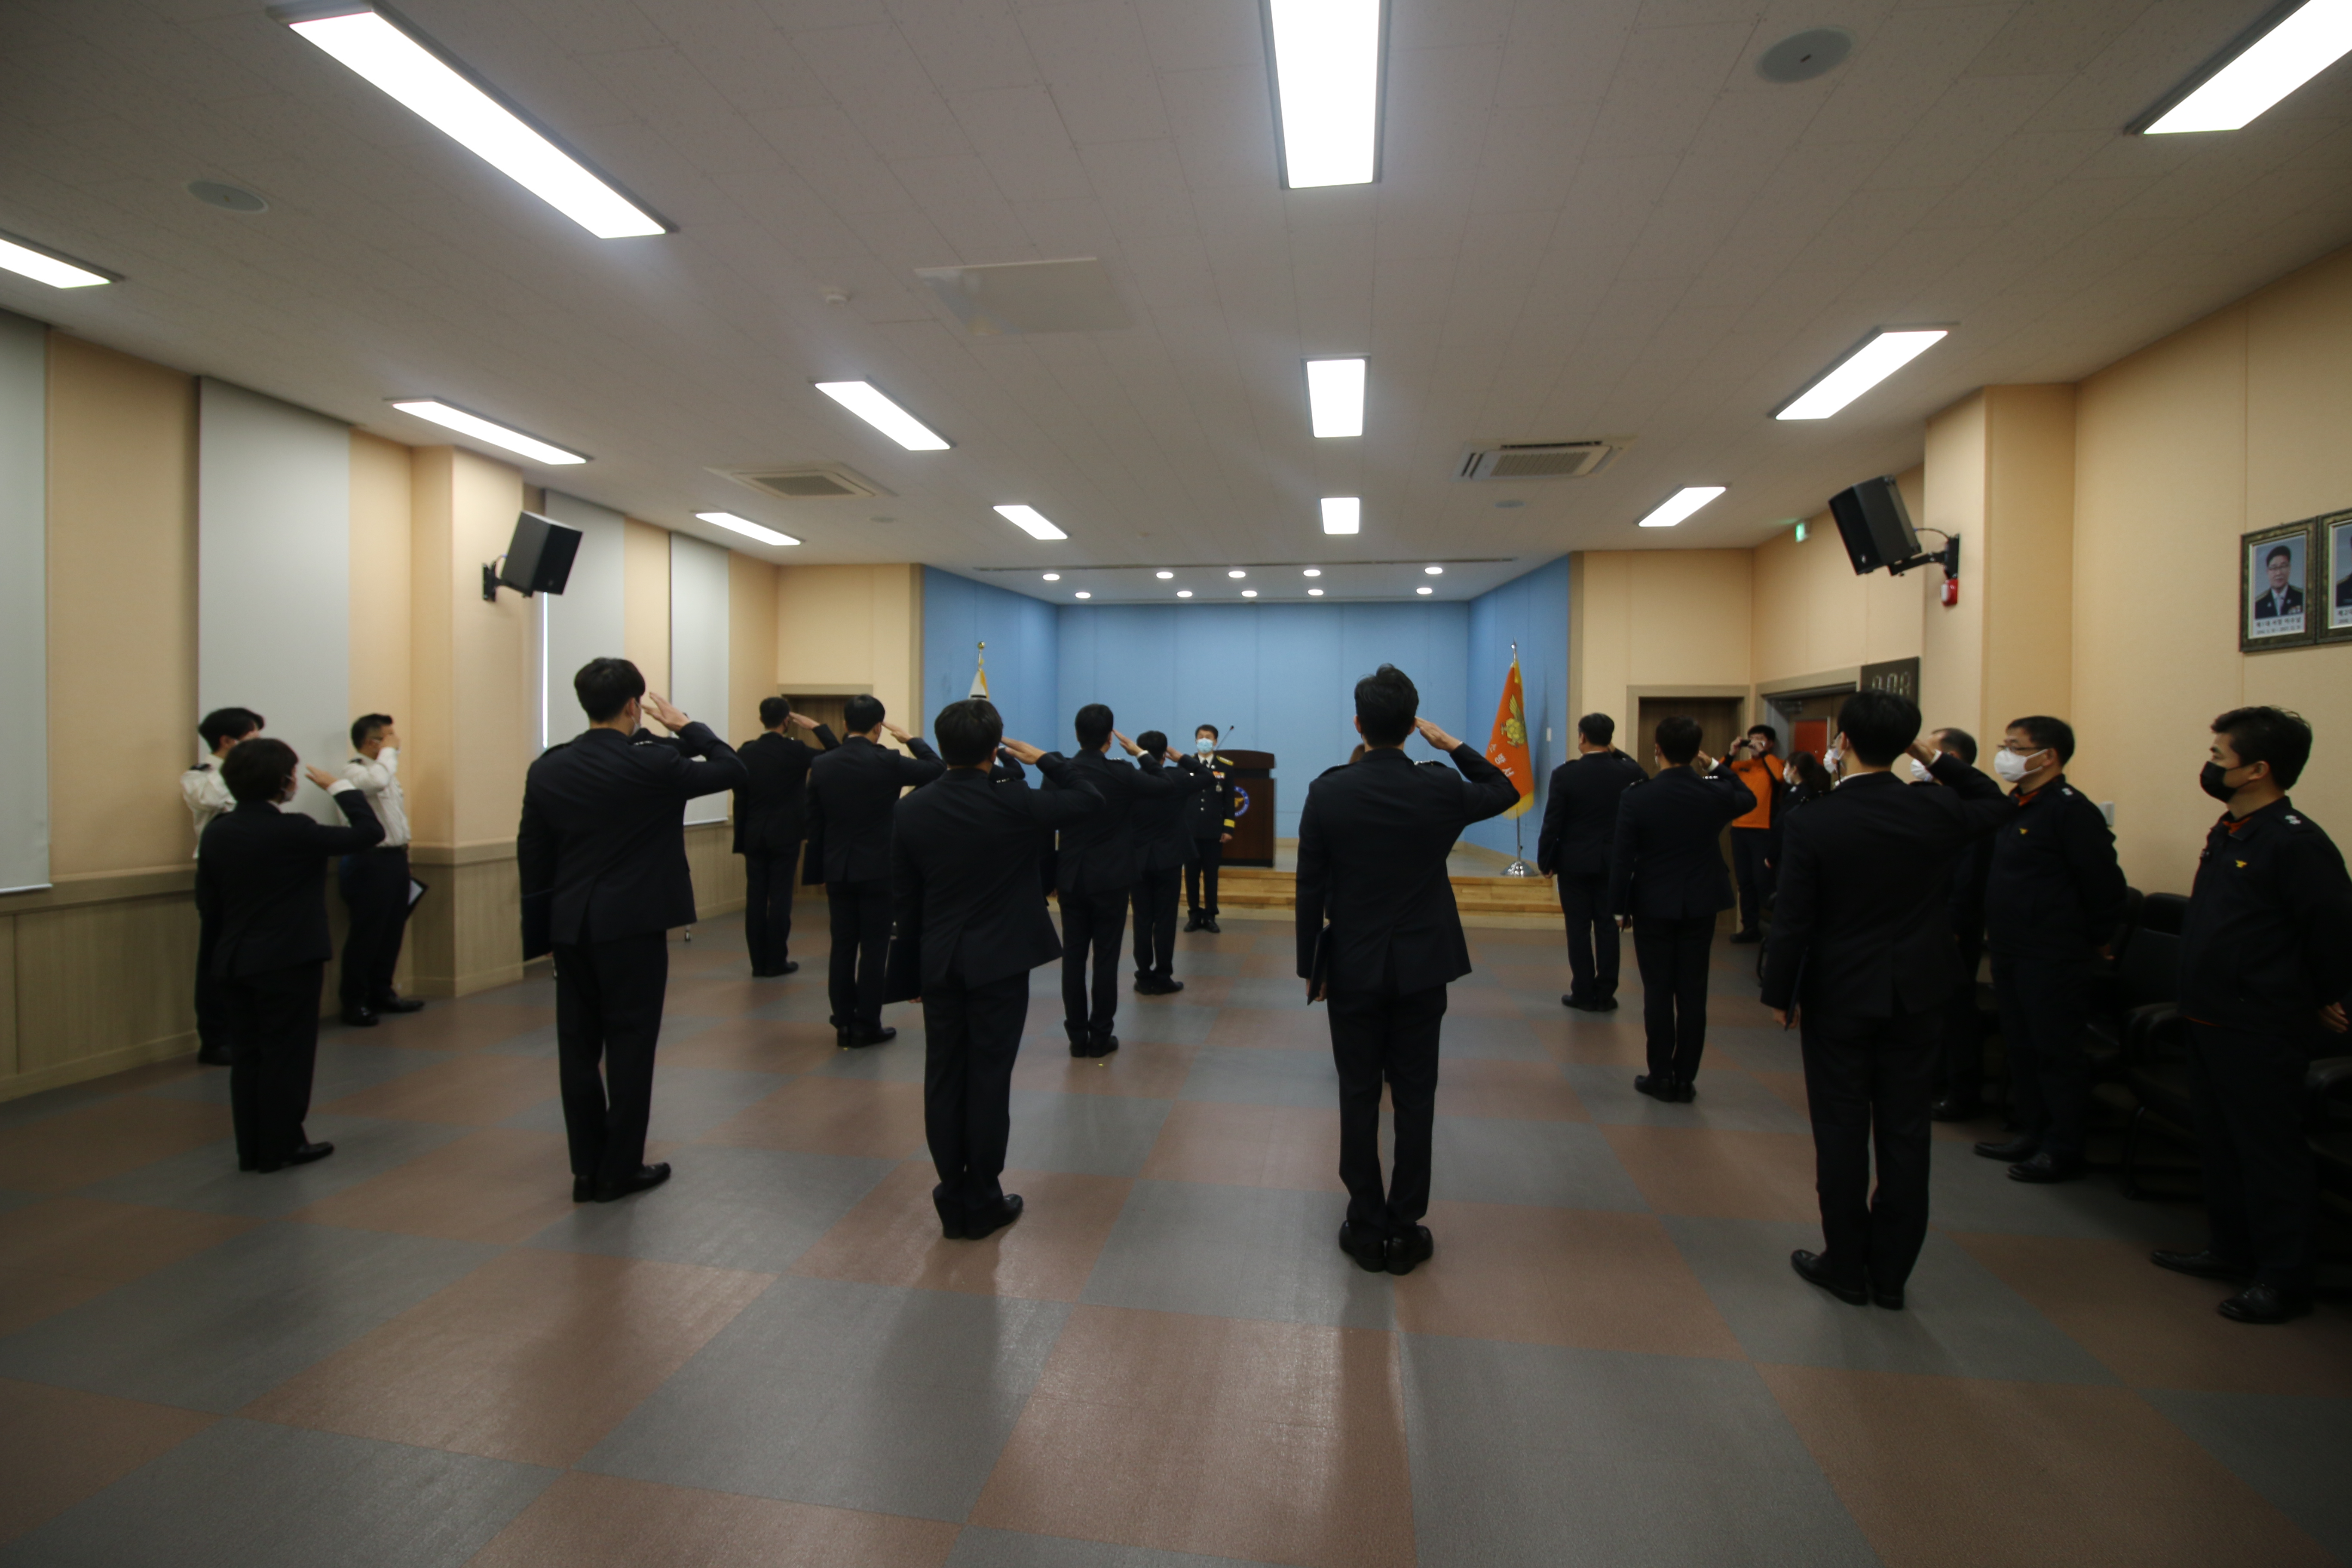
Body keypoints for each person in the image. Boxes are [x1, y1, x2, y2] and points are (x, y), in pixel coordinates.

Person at [1762, 691, 2007, 1309]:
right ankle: (1892, 1273)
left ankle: (1846, 1263)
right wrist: (1934, 758)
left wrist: (1781, 992)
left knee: (1841, 1130)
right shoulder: (1937, 808)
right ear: (1906, 747)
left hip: (1841, 991)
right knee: (1906, 1130)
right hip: (1920, 990)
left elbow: (1794, 919)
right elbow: (1994, 802)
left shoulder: (1816, 820)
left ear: (1842, 741)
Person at [1298, 666, 1519, 1275]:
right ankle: (1405, 1224)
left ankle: (1366, 1224)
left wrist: (1310, 967)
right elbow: (1505, 790)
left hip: (1353, 965)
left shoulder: (1328, 791)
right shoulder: (1440, 785)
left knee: (1358, 1093)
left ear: (1359, 724)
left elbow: (1310, 886)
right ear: (1412, 726)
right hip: (1424, 966)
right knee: (1417, 1096)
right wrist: (1453, 745)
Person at [518, 658, 746, 1203]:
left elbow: (534, 854)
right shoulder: (654, 764)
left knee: (576, 1047)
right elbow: (733, 769)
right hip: (634, 924)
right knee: (631, 1044)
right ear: (632, 706)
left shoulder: (549, 768)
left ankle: (585, 1168)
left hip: (571, 925)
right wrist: (685, 725)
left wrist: (541, 931)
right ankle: (619, 1168)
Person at [2154, 707, 2352, 1324]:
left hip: (2259, 1024)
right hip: (2209, 1015)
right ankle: (2231, 1248)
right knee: (2220, 1144)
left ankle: (2283, 1278)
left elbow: (2333, 930)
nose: (2209, 766)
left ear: (2258, 770)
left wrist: (2332, 996)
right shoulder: (2232, 830)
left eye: (2220, 757)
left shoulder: (2295, 841)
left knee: (2269, 1153)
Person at [889, 699, 1103, 1240]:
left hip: (940, 961)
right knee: (988, 1078)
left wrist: (912, 970)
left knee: (943, 1077)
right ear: (995, 747)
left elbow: (907, 899)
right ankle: (983, 1197)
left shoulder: (912, 808)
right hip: (1000, 962)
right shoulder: (1014, 801)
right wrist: (1046, 759)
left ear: (941, 745)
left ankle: (950, 1195)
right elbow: (1090, 799)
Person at [197, 738, 383, 1173]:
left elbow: (208, 902)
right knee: (287, 1055)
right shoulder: (294, 829)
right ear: (283, 782)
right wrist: (340, 787)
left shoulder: (218, 832)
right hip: (288, 960)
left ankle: (252, 1149)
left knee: (248, 1056)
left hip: (234, 959)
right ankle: (283, 1145)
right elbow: (370, 833)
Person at [1975, 714, 2128, 1183]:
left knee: (2055, 1051)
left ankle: (2063, 1146)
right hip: (2011, 947)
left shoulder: (2070, 810)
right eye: (2005, 745)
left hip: (2053, 953)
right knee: (2021, 1046)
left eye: (2016, 747)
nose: (2006, 755)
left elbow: (2104, 883)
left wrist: (2097, 936)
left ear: (2048, 756)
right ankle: (2032, 1130)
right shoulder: (2017, 804)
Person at [1608, 718, 1755, 1101]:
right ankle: (1685, 1078)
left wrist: (1619, 908)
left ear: (1657, 748)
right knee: (1693, 992)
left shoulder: (1638, 797)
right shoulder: (1715, 792)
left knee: (1657, 991)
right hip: (1701, 902)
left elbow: (1622, 858)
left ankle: (1659, 1075)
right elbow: (1749, 797)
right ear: (1695, 752)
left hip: (1653, 902)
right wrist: (1718, 766)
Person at [1044, 704, 1196, 1056]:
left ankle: (1076, 1038)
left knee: (1073, 958)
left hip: (1071, 877)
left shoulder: (1060, 772)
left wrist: (1048, 876)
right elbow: (1164, 784)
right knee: (1106, 959)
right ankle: (1101, 1036)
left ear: (1077, 734)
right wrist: (1141, 754)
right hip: (1111, 878)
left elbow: (1046, 827)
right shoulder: (1122, 772)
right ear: (1110, 738)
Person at [804, 696, 943, 1047]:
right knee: (875, 948)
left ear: (845, 724)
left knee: (842, 947)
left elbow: (815, 823)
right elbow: (936, 769)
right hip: (880, 868)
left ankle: (843, 1022)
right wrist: (911, 740)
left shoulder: (822, 764)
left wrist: (818, 870)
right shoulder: (888, 761)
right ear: (879, 726)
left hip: (838, 869)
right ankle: (868, 1023)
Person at [1534, 713, 1645, 1011]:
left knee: (1578, 928)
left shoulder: (1566, 774)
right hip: (1613, 862)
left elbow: (1553, 822)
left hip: (1574, 862)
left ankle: (1582, 991)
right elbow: (1641, 772)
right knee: (1607, 926)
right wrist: (1614, 751)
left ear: (1582, 737)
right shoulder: (1628, 772)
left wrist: (1546, 860)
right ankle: (1606, 993)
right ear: (1610, 740)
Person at [1915, 728, 1994, 1121]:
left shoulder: (1971, 807)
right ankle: (1934, 1079)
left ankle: (1962, 1091)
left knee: (1956, 1010)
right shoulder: (1935, 798)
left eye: (1928, 752)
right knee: (1930, 1007)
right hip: (1927, 920)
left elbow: (1969, 876)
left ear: (1951, 760)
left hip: (1954, 924)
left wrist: (1956, 925)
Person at [732, 698, 837, 977]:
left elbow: (740, 798)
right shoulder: (795, 751)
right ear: (787, 720)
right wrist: (817, 728)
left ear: (761, 720)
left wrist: (741, 836)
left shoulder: (746, 752)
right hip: (786, 834)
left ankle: (758, 963)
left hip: (753, 834)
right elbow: (837, 754)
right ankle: (777, 960)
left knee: (755, 898)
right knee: (780, 898)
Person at [184, 707, 266, 1066]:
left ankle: (249, 1030)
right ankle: (215, 1039)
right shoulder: (199, 776)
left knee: (256, 953)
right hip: (220, 877)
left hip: (257, 873)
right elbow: (211, 801)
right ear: (228, 741)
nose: (258, 745)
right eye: (252, 738)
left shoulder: (255, 776)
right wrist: (232, 764)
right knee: (217, 956)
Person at [336, 714, 423, 1028]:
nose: (396, 742)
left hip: (394, 859)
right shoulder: (354, 772)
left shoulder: (385, 771)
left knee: (391, 931)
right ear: (372, 743)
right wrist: (389, 752)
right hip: (368, 861)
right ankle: (354, 1001)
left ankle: (382, 992)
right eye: (388, 737)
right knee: (368, 934)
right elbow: (376, 783)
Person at [1128, 730, 1200, 995]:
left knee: (1142, 919)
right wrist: (1181, 758)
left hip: (1138, 859)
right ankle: (1163, 975)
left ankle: (1143, 976)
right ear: (1165, 752)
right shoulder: (1178, 777)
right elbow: (1206, 776)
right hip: (1169, 859)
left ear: (1139, 751)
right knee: (1166, 920)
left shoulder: (1130, 779)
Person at [1726, 724, 1786, 943]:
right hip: (1740, 829)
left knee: (1764, 882)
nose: (1753, 742)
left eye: (1759, 738)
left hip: (1764, 830)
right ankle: (1750, 927)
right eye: (1751, 739)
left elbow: (1780, 777)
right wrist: (1732, 753)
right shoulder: (1742, 766)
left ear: (1770, 743)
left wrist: (1763, 753)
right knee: (1745, 882)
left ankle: (1770, 930)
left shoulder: (1776, 763)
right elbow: (1717, 774)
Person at [1183, 724, 1238, 932]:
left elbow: (1229, 800)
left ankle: (1210, 915)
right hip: (1190, 831)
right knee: (1191, 875)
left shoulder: (1225, 766)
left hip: (1214, 831)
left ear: (1215, 742)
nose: (1204, 740)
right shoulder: (1186, 764)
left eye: (1208, 737)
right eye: (1200, 737)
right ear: (1196, 740)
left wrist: (1228, 828)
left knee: (1211, 876)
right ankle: (1194, 914)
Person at [2251, 545, 2303, 622]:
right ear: (2267, 572)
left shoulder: (2302, 597)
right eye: (2274, 568)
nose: (2279, 573)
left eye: (2283, 566)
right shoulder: (2258, 605)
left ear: (2289, 568)